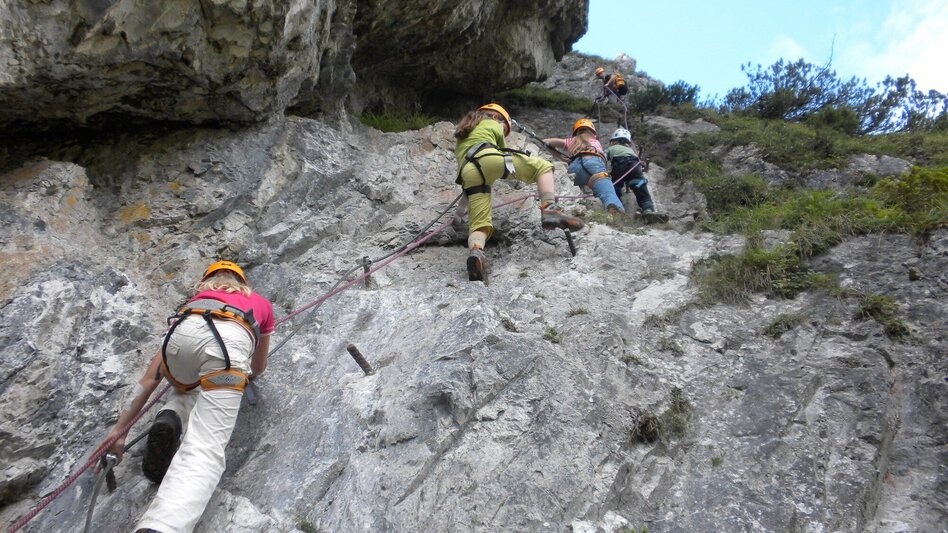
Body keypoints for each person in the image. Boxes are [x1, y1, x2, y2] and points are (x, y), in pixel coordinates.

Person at [94, 261, 274, 533]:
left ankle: (173, 413)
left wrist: (119, 431)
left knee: (189, 382)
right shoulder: (259, 303)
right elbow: (258, 368)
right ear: (242, 282)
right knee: (205, 445)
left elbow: (149, 380)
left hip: (181, 337)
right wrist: (243, 370)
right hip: (229, 343)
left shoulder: (195, 302)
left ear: (206, 281)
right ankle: (162, 527)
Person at [454, 103, 585, 282]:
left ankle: (476, 253)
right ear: (498, 117)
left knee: (480, 225)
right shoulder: (494, 123)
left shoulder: (464, 132)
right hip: (488, 158)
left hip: (468, 173)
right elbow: (500, 151)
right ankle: (550, 209)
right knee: (543, 167)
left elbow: (466, 185)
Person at [544, 119, 625, 215]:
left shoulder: (571, 140)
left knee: (571, 194)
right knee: (608, 194)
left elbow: (545, 142)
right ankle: (615, 211)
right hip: (595, 164)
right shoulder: (595, 141)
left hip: (574, 167)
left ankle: (570, 212)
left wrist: (559, 156)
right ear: (592, 132)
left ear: (575, 132)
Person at [605, 128, 668, 223]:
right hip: (635, 168)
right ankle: (648, 210)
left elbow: (604, 158)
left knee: (616, 188)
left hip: (619, 167)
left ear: (614, 140)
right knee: (641, 189)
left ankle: (618, 210)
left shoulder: (611, 148)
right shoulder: (631, 150)